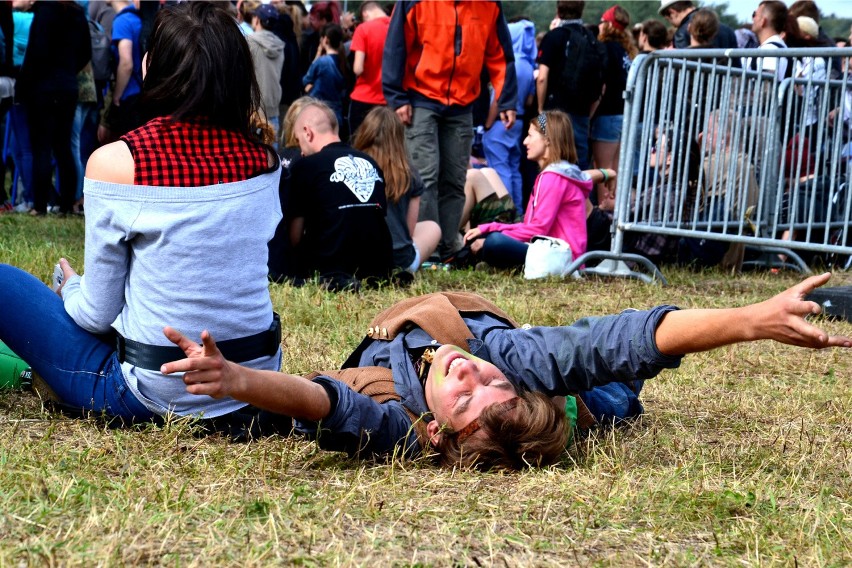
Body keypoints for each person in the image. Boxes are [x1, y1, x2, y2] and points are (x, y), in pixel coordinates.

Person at [157, 273, 851, 470]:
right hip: (556, 381)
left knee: (589, 397)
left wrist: (237, 379)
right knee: (596, 380)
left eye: (468, 392)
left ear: (433, 431)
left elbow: (317, 402)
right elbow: (619, 338)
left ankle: (584, 410)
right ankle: (583, 408)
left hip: (546, 397)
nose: (475, 373)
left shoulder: (397, 421)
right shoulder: (512, 364)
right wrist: (749, 321)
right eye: (492, 383)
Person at [0, 1, 284, 432]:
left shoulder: (119, 162)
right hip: (255, 385)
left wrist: (70, 287)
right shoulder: (266, 162)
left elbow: (96, 314)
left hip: (152, 392)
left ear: (150, 67)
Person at [382, 0, 518, 261]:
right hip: (421, 98)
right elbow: (395, 47)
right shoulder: (415, 3)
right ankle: (426, 248)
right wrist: (397, 97)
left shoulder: (488, 5)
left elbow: (500, 54)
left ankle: (449, 247)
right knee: (426, 176)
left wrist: (507, 99)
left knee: (456, 178)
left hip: (463, 103)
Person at [460, 111, 613, 270]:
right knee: (492, 238)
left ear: (547, 140)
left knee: (494, 242)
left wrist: (490, 234)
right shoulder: (563, 172)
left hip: (559, 260)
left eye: (530, 135)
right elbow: (531, 226)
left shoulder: (553, 177)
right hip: (558, 255)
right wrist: (487, 228)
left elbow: (537, 230)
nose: (525, 141)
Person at [286, 100, 394, 290]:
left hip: (329, 267)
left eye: (298, 141)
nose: (300, 151)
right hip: (379, 268)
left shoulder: (306, 166)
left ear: (307, 132)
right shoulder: (370, 162)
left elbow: (294, 236)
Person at [15, 0, 92, 216]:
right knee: (64, 147)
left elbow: (34, 54)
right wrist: (68, 70)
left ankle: (40, 205)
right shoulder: (77, 13)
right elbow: (86, 52)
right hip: (68, 85)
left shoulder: (44, 11)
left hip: (42, 87)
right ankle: (67, 203)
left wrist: (22, 87)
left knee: (42, 148)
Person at [351, 106, 440, 274]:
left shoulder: (352, 167)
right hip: (398, 262)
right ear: (399, 137)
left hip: (358, 260)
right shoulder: (409, 173)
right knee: (432, 227)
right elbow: (409, 230)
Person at [536, 1, 607, 171]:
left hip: (553, 110)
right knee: (578, 166)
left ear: (558, 10)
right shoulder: (591, 39)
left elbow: (542, 78)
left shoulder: (553, 36)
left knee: (551, 161)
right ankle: (579, 197)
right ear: (581, 11)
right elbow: (600, 84)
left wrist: (540, 108)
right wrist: (588, 115)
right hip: (581, 112)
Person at [482, 19, 536, 215]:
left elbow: (498, 97)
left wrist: (487, 125)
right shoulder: (529, 66)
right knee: (514, 169)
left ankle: (505, 214)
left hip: (499, 122)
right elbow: (530, 100)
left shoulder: (508, 63)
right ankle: (518, 212)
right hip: (518, 121)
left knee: (499, 169)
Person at [591, 5, 635, 209]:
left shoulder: (606, 48)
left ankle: (604, 213)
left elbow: (602, 84)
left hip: (607, 115)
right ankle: (615, 212)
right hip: (622, 115)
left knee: (603, 171)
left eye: (602, 21)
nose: (599, 25)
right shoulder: (627, 51)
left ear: (608, 24)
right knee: (614, 170)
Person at [98, 0, 144, 144]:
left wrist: (117, 96)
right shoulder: (140, 17)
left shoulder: (122, 21)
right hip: (143, 89)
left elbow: (126, 63)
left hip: (129, 94)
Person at [347, 1, 389, 138]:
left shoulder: (364, 29)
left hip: (364, 97)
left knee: (359, 144)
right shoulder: (398, 26)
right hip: (389, 99)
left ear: (365, 13)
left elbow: (357, 69)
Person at [246, 4, 285, 143]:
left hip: (252, 112)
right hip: (273, 109)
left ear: (257, 20)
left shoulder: (248, 41)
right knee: (272, 159)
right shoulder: (280, 45)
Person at [302, 23, 346, 127]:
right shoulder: (343, 60)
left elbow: (306, 79)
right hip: (337, 111)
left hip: (321, 109)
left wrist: (317, 54)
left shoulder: (322, 61)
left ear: (325, 39)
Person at [659, 1, 738, 51]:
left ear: (672, 12)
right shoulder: (728, 30)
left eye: (667, 19)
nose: (670, 23)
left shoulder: (681, 33)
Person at [746, 1, 789, 80]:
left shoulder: (769, 50)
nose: (753, 18)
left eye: (754, 15)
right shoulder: (782, 47)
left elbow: (766, 88)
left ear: (763, 21)